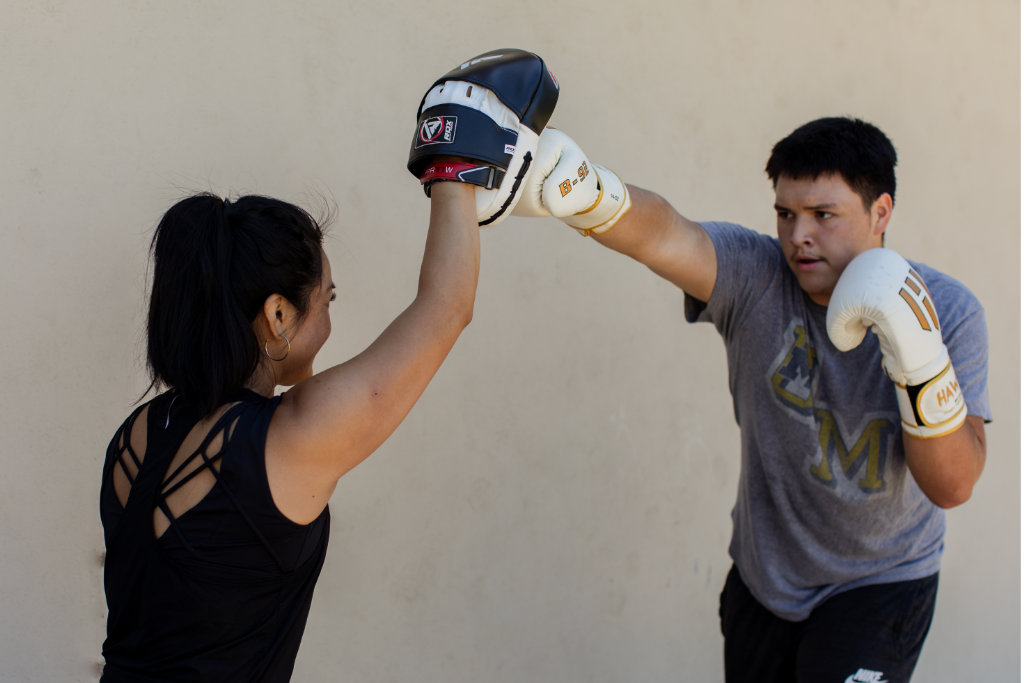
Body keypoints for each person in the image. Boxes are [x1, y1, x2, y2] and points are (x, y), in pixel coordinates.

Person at [98, 48, 557, 682]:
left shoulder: (134, 439)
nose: (332, 320)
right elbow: (446, 308)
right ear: (279, 316)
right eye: (327, 299)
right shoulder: (290, 442)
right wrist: (455, 164)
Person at [513, 117, 989, 682]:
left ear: (881, 212)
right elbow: (667, 234)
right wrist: (582, 189)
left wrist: (919, 359)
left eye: (823, 215)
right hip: (766, 582)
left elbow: (952, 486)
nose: (798, 236)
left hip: (880, 586)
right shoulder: (758, 275)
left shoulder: (950, 311)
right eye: (785, 214)